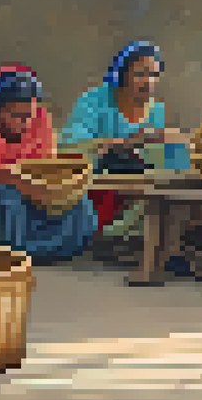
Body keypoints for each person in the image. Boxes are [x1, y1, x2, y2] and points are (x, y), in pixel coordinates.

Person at [0, 65, 98, 264]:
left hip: (34, 197)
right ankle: (6, 250)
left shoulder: (41, 120)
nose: (25, 123)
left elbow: (45, 165)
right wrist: (21, 180)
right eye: (16, 116)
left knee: (79, 202)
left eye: (29, 115)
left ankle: (45, 250)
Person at [60, 41, 191, 247]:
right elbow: (71, 144)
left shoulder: (155, 109)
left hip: (139, 175)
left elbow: (154, 150)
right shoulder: (95, 100)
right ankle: (116, 236)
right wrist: (117, 143)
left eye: (154, 75)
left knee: (176, 159)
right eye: (141, 73)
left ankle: (164, 234)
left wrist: (168, 140)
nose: (148, 81)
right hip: (98, 177)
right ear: (121, 73)